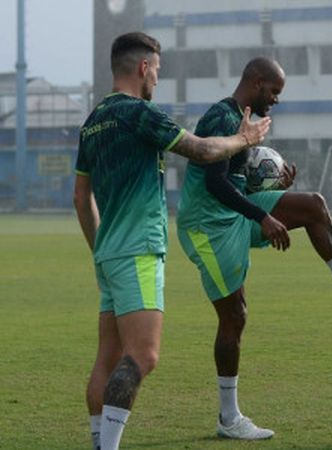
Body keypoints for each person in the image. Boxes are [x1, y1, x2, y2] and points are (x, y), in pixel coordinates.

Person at [74, 32, 271, 450]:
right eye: (157, 71)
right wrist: (245, 139)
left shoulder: (93, 121)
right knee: (143, 356)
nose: (157, 80)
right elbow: (200, 150)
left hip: (109, 253)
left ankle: (98, 443)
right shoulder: (139, 113)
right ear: (143, 67)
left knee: (107, 359)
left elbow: (80, 197)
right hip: (139, 249)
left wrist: (100, 250)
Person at [175, 57, 332, 440]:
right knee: (235, 316)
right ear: (257, 82)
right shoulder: (221, 117)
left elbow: (237, 180)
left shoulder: (246, 119)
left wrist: (273, 185)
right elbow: (215, 182)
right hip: (207, 227)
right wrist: (262, 216)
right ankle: (228, 419)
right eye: (275, 91)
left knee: (312, 204)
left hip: (234, 213)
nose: (277, 100)